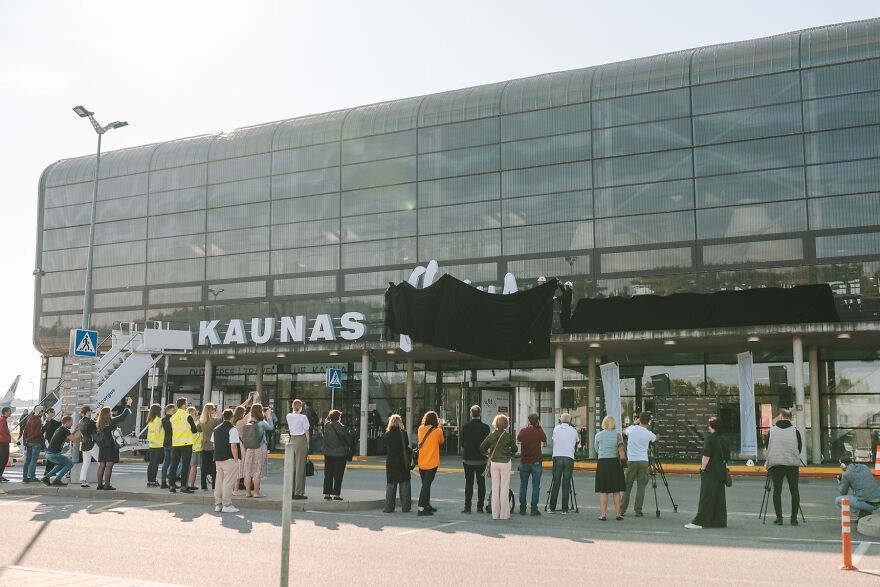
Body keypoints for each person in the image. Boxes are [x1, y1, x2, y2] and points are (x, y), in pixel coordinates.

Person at [686, 416, 729, 529]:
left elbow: (706, 456)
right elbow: (727, 457)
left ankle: (699, 521)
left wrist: (702, 468)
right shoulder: (724, 439)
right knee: (719, 498)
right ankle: (719, 522)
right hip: (721, 471)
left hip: (710, 471)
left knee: (706, 497)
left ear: (712, 427)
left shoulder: (709, 439)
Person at [764, 408, 802, 526]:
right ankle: (794, 519)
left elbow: (767, 446)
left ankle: (779, 518)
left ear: (781, 417)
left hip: (776, 464)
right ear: (790, 418)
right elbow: (799, 448)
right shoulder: (795, 431)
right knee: (794, 491)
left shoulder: (772, 430)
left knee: (777, 491)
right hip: (792, 464)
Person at [621, 411, 658, 518]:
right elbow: (655, 438)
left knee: (627, 486)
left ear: (639, 419)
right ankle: (638, 510)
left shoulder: (632, 428)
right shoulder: (648, 433)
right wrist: (656, 430)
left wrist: (634, 423)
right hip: (643, 461)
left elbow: (623, 431)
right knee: (641, 486)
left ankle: (622, 509)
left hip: (632, 461)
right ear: (649, 421)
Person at [480, 414, 518, 520]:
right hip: (505, 462)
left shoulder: (491, 435)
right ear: (506, 424)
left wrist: (488, 455)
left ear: (495, 423)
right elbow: (515, 449)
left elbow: (482, 447)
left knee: (495, 487)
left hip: (494, 462)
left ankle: (495, 514)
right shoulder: (508, 436)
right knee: (504, 488)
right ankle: (504, 514)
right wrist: (508, 450)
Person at [96, 396, 133, 490]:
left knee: (102, 465)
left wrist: (101, 409)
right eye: (110, 412)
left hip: (102, 446)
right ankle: (107, 485)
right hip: (111, 445)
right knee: (109, 466)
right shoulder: (112, 421)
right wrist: (128, 405)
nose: (111, 413)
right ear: (108, 414)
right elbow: (123, 416)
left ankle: (99, 485)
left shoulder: (99, 423)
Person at [595, 415, 626, 520]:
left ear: (604, 423)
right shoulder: (618, 435)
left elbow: (596, 448)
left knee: (604, 490)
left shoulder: (598, 435)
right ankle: (618, 514)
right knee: (616, 490)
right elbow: (621, 448)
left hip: (603, 463)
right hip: (615, 463)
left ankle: (603, 515)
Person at [460, 404, 490, 513]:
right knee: (481, 483)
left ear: (470, 414)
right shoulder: (486, 427)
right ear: (480, 414)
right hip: (481, 459)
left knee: (469, 483)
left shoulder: (465, 426)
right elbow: (488, 444)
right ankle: (480, 507)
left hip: (468, 459)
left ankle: (467, 507)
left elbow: (462, 443)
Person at [517, 413, 546, 516]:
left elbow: (518, 439)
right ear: (537, 421)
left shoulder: (523, 431)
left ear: (529, 421)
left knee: (523, 486)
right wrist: (540, 427)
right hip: (536, 462)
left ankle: (522, 509)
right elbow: (544, 439)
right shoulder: (539, 432)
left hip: (524, 462)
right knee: (536, 486)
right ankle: (534, 509)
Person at [212, 408, 241, 513]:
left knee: (219, 482)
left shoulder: (216, 429)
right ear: (232, 417)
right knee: (228, 482)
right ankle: (227, 504)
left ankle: (218, 504)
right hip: (229, 458)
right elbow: (233, 446)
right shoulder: (232, 429)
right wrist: (236, 459)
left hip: (218, 458)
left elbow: (214, 444)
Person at [549, 412, 578, 513]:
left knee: (556, 482)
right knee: (566, 483)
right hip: (569, 457)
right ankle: (565, 509)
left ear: (560, 420)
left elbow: (553, 440)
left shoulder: (556, 429)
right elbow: (577, 442)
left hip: (557, 457)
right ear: (570, 421)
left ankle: (552, 507)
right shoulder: (574, 431)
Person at [416, 411, 445, 516]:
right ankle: (421, 508)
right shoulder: (438, 431)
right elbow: (441, 441)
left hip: (422, 462)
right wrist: (440, 427)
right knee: (426, 485)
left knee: (425, 485)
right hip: (432, 463)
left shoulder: (420, 429)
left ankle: (427, 505)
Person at [836, 453, 880, 520]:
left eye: (840, 465)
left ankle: (862, 514)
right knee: (861, 493)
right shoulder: (864, 467)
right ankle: (865, 511)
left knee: (838, 500)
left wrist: (839, 481)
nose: (840, 467)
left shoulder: (846, 474)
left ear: (843, 465)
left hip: (868, 503)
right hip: (878, 500)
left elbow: (843, 492)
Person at [168, 397, 197, 494]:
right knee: (185, 465)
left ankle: (172, 485)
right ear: (184, 405)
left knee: (174, 465)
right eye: (186, 404)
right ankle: (183, 487)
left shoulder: (173, 417)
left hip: (176, 444)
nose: (187, 405)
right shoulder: (187, 416)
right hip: (186, 444)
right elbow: (194, 430)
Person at [322, 409, 354, 500]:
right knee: (338, 475)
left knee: (328, 474)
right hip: (340, 454)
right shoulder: (342, 427)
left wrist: (329, 416)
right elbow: (349, 440)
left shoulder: (327, 426)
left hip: (328, 453)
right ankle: (336, 494)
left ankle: (327, 494)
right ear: (339, 417)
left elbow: (326, 420)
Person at [243, 403, 272, 498]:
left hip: (249, 448)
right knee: (257, 470)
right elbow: (271, 427)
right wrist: (269, 416)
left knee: (248, 470)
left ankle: (247, 492)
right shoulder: (261, 423)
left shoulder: (249, 422)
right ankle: (256, 492)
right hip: (260, 447)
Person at [383, 414, 411, 513]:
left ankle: (389, 507)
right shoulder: (403, 433)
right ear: (400, 422)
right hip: (402, 461)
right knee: (404, 484)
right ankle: (406, 507)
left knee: (391, 484)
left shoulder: (387, 434)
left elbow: (385, 447)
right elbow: (406, 445)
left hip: (391, 462)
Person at [42, 415, 81, 486]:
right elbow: (74, 440)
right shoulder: (65, 430)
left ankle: (46, 477)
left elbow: (67, 440)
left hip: (49, 453)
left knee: (62, 464)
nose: (72, 424)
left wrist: (75, 431)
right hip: (54, 454)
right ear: (67, 422)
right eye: (71, 422)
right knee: (70, 463)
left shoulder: (60, 429)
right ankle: (57, 480)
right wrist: (80, 434)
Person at [286, 398, 310, 499]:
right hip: (301, 440)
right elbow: (306, 431)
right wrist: (308, 444)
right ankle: (298, 492)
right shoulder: (303, 417)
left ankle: (290, 491)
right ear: (300, 407)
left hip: (292, 440)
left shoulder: (288, 416)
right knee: (300, 468)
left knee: (292, 467)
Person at [200, 403, 220, 491]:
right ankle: (214, 485)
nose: (215, 410)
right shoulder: (214, 421)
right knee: (214, 466)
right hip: (213, 445)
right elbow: (220, 428)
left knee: (204, 466)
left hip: (204, 444)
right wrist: (219, 417)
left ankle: (203, 485)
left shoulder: (202, 421)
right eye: (214, 408)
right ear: (211, 411)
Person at [21, 408, 44, 483]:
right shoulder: (38, 420)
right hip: (35, 442)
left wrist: (25, 441)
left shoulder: (30, 419)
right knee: (33, 460)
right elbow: (37, 433)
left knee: (27, 460)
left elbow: (25, 431)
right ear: (40, 412)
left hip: (28, 443)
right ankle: (32, 477)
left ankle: (25, 477)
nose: (43, 413)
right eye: (42, 411)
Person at [78, 406, 99, 488]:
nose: (91, 412)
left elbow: (93, 423)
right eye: (90, 410)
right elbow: (97, 425)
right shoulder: (90, 422)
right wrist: (98, 416)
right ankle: (103, 481)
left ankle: (83, 482)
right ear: (87, 412)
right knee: (101, 462)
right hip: (92, 444)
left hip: (84, 444)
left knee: (85, 463)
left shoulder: (80, 421)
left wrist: (97, 417)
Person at [145, 403, 164, 488]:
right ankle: (153, 481)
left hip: (152, 444)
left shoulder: (150, 420)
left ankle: (149, 481)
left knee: (151, 464)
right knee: (155, 464)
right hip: (159, 445)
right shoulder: (160, 421)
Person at [186, 406, 202, 491]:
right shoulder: (197, 424)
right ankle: (191, 484)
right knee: (193, 466)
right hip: (195, 448)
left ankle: (185, 484)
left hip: (187, 446)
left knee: (187, 466)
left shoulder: (186, 424)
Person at [42, 407, 60, 477]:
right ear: (49, 413)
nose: (54, 413)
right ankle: (48, 471)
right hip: (49, 441)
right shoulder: (48, 421)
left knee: (51, 456)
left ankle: (50, 471)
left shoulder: (50, 421)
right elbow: (57, 425)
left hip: (50, 440)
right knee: (51, 456)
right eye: (53, 412)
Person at [160, 404, 175, 488]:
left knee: (166, 463)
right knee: (173, 464)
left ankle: (163, 482)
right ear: (169, 410)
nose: (175, 412)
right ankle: (171, 482)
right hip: (173, 443)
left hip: (166, 442)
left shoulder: (163, 419)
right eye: (174, 410)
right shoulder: (173, 419)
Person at [0, 406, 11, 482]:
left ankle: (0, 475)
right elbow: (1, 430)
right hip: (3, 442)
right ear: (5, 412)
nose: (10, 413)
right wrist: (7, 437)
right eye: (9, 411)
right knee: (4, 459)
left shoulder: (3, 419)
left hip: (3, 441)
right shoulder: (3, 420)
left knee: (2, 459)